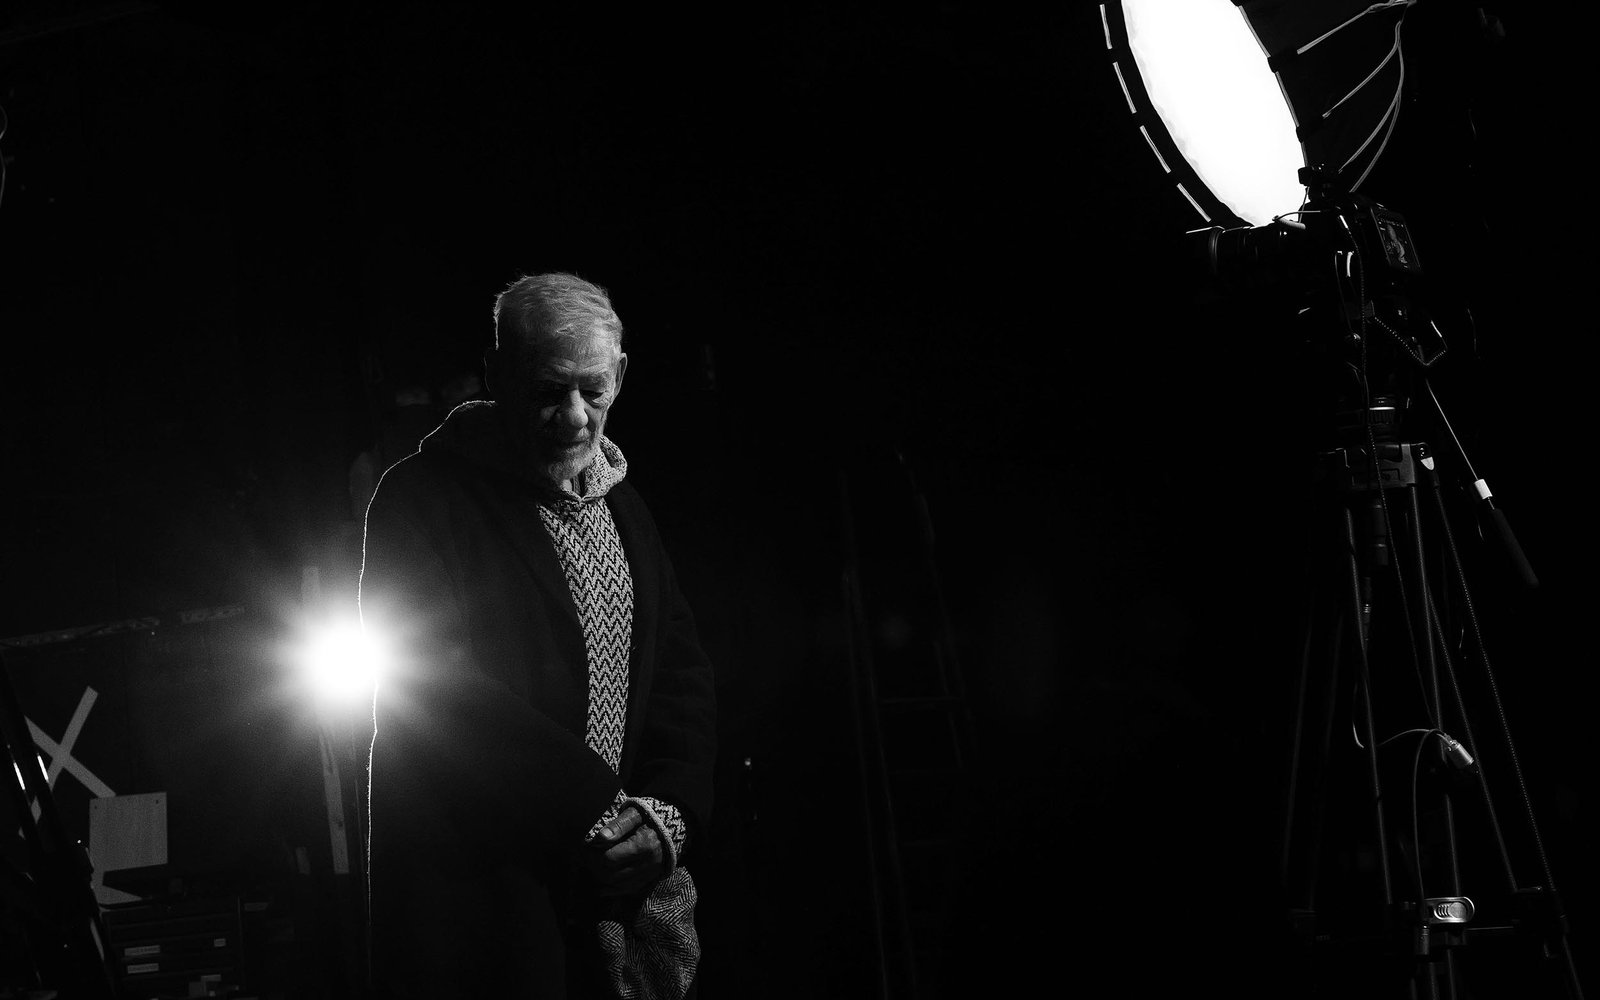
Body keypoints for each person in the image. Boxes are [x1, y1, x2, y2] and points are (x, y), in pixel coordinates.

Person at [359, 273, 717, 999]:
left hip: (605, 895)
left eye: (594, 389)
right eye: (549, 390)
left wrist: (667, 813)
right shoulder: (421, 498)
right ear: (497, 376)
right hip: (481, 900)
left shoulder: (626, 508)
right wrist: (599, 812)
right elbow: (433, 684)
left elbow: (680, 675)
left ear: (620, 376)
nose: (575, 416)